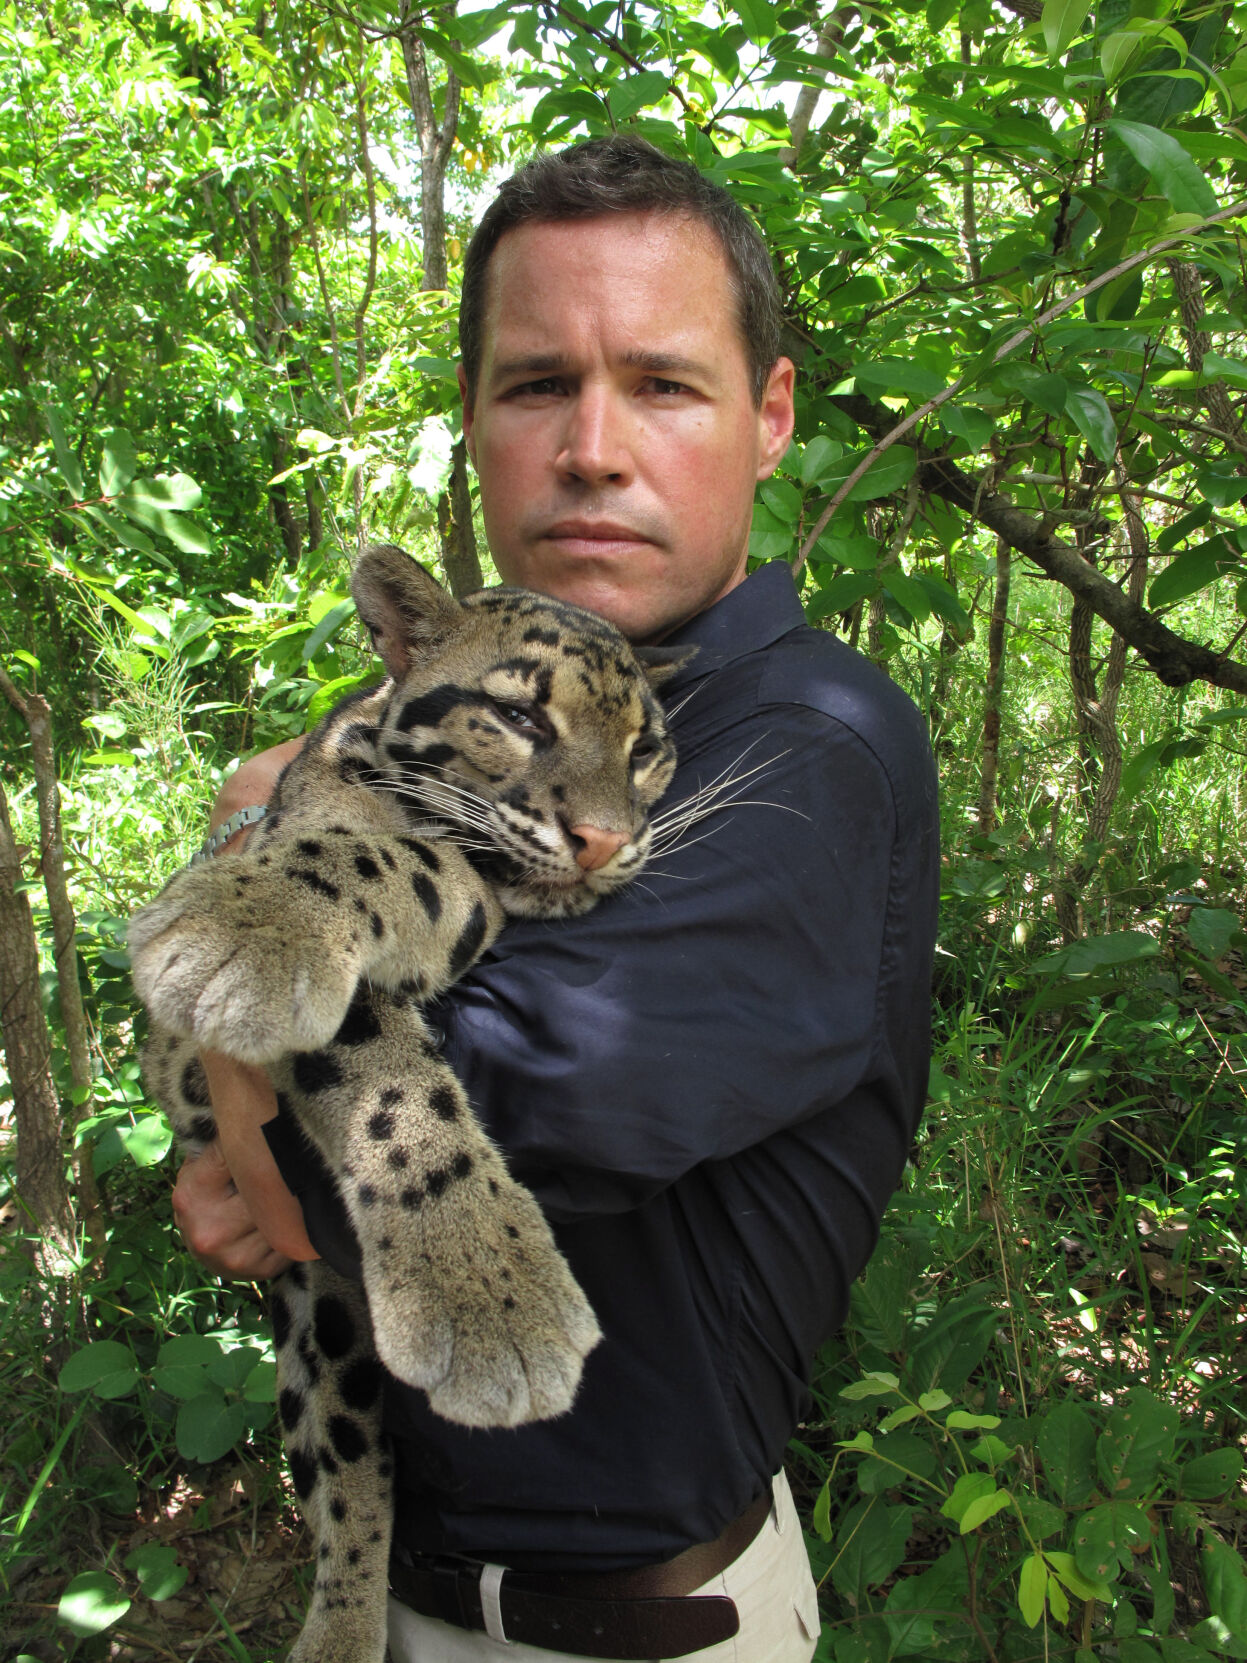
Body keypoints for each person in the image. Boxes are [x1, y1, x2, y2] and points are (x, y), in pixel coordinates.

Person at [173, 136, 940, 1661]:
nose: (593, 449)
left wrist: (255, 879)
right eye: (536, 387)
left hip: (640, 1628)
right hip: (404, 1589)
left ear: (768, 416)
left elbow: (367, 1150)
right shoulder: (464, 690)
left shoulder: (805, 747)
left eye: (662, 383)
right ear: (473, 422)